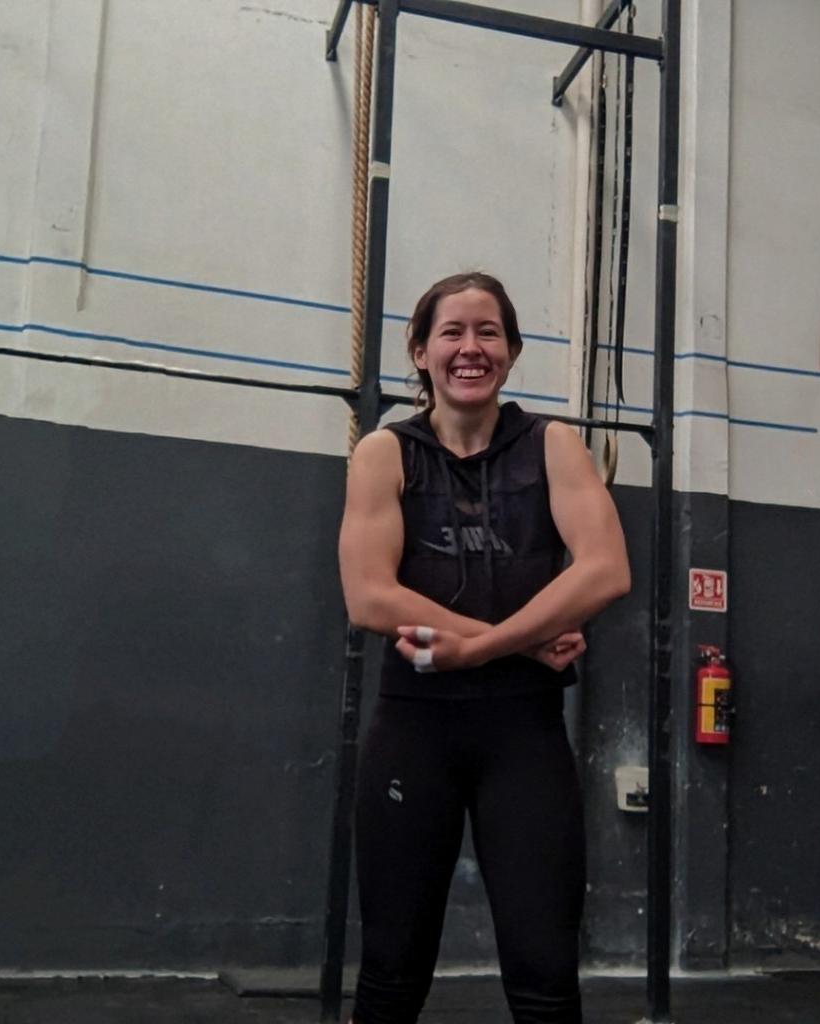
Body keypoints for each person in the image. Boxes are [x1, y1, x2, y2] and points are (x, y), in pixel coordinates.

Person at [338, 271, 630, 1024]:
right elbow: (369, 597)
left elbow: (606, 569)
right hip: (414, 732)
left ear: (512, 350)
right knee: (392, 970)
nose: (471, 348)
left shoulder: (554, 445)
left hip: (524, 737)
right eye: (453, 332)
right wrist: (522, 644)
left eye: (488, 332)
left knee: (545, 975)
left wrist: (481, 650)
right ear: (421, 351)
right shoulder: (384, 453)